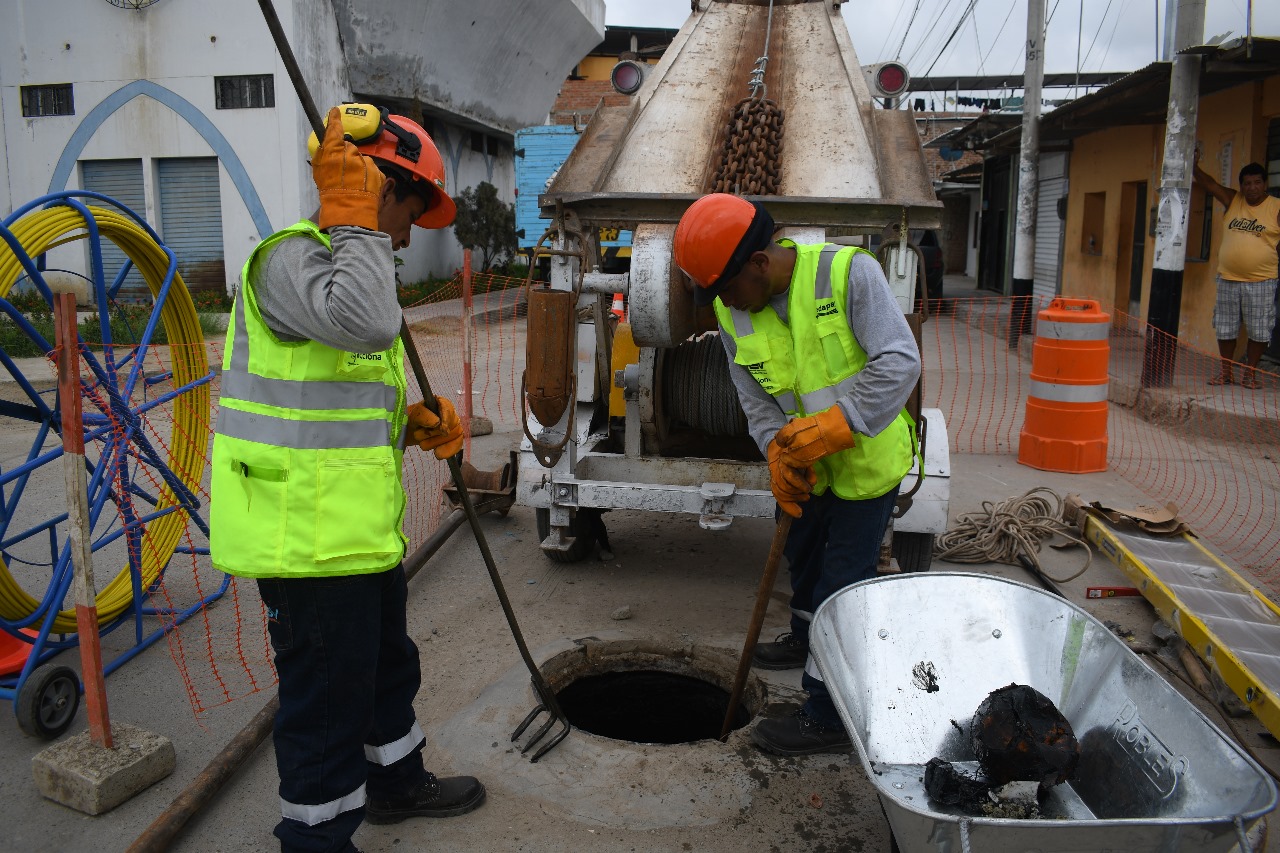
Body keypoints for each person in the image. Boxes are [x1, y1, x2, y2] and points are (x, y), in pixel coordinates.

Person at [210, 106, 485, 852]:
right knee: (326, 707)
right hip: (307, 544)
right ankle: (317, 842)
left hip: (357, 537)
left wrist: (412, 422)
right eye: (410, 209)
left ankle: (395, 781)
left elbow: (342, 403)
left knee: (386, 671)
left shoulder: (350, 272)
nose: (405, 234)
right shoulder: (289, 263)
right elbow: (364, 324)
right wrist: (356, 218)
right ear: (371, 185)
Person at [673, 194, 920, 756]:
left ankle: (828, 714)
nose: (726, 301)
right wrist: (775, 455)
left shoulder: (848, 273)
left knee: (842, 588)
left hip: (863, 468)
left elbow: (900, 360)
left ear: (760, 264)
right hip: (806, 472)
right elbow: (753, 395)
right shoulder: (733, 311)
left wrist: (841, 425)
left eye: (728, 287)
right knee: (805, 567)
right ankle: (806, 640)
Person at [1192, 153, 1280, 388]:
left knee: (1259, 330)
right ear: (1241, 186)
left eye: (1257, 182)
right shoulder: (1233, 200)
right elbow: (1209, 185)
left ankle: (1250, 374)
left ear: (1265, 184)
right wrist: (1193, 166)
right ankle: (1226, 372)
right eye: (1247, 183)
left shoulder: (1276, 208)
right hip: (1228, 279)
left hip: (1262, 280)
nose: (1252, 187)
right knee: (1225, 327)